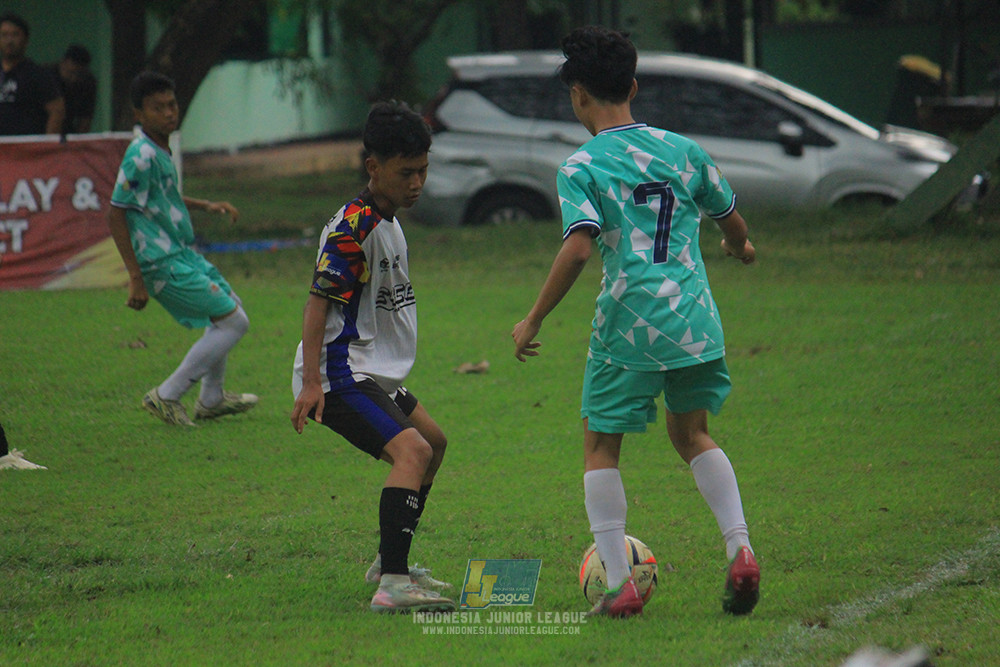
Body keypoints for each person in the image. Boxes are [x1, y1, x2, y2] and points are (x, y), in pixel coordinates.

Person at [511, 26, 760, 618]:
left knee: (602, 445)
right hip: (694, 319)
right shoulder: (683, 150)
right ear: (633, 85)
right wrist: (742, 249)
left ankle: (620, 584)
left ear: (577, 95)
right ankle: (741, 549)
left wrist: (533, 318)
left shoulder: (581, 165)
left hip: (628, 324)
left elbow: (577, 249)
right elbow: (731, 219)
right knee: (692, 434)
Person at [290, 101, 454, 614]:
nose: (417, 182)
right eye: (406, 172)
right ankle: (394, 586)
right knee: (414, 454)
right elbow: (318, 303)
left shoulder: (387, 219)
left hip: (373, 369)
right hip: (340, 373)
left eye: (423, 171)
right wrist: (313, 382)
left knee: (433, 442)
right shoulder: (352, 231)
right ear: (373, 168)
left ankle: (389, 561)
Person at [107, 71, 257, 427]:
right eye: (157, 108)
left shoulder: (159, 148)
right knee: (235, 322)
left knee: (227, 309)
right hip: (158, 261)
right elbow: (116, 212)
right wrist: (135, 277)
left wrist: (205, 205)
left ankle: (212, 398)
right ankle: (167, 395)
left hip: (179, 252)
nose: (169, 113)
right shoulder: (140, 154)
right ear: (139, 115)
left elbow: (161, 195)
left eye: (171, 104)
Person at [0, 12, 64, 135]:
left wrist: (47, 146)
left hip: (27, 150)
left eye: (15, 35)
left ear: (26, 39)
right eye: (4, 35)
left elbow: (57, 109)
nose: (9, 41)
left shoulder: (37, 74)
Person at [48, 44, 96, 134]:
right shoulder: (47, 77)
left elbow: (85, 120)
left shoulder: (87, 82)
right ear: (63, 63)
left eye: (78, 75)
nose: (73, 79)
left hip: (69, 131)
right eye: (70, 73)